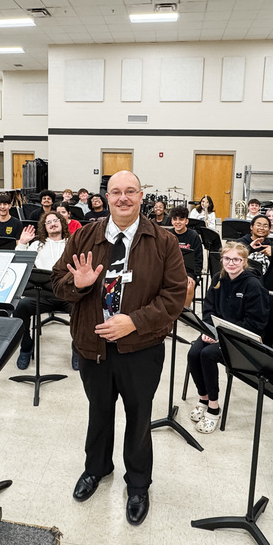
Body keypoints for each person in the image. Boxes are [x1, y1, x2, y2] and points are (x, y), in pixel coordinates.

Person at [51, 171, 185, 526]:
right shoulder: (85, 236)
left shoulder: (163, 241)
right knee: (99, 412)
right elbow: (56, 281)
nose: (122, 197)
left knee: (139, 417)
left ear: (142, 196)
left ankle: (138, 484)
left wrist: (134, 322)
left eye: (130, 191)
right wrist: (77, 284)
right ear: (106, 197)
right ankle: (96, 468)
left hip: (141, 347)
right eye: (115, 192)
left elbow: (174, 298)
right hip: (92, 343)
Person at [187, 241, 268, 434]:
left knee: (207, 355)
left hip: (241, 338)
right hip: (217, 332)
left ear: (244, 261)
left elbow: (256, 323)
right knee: (193, 353)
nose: (231, 263)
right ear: (221, 259)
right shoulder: (218, 278)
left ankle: (214, 408)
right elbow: (208, 309)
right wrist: (209, 331)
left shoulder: (253, 285)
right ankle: (203, 398)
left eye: (236, 259)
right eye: (227, 258)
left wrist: (220, 337)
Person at [14, 210, 72, 369]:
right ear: (44, 227)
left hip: (67, 294)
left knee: (83, 308)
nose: (53, 224)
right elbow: (19, 262)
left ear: (62, 223)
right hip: (43, 295)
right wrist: (23, 243)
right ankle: (26, 347)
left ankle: (78, 348)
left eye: (56, 221)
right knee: (20, 307)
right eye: (48, 222)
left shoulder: (72, 242)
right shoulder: (37, 245)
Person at [169, 205, 202, 307]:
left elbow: (198, 260)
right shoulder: (168, 235)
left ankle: (184, 315)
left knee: (189, 287)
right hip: (170, 272)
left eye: (181, 219)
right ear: (171, 221)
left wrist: (192, 276)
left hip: (188, 273)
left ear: (186, 221)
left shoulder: (194, 236)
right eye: (175, 219)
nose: (178, 222)